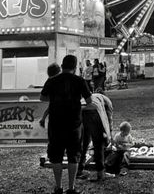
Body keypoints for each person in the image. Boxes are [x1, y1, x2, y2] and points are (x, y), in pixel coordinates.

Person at [40, 55, 91, 194]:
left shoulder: (52, 80)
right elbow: (90, 100)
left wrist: (56, 98)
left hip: (56, 123)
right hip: (74, 124)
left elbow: (42, 97)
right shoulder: (79, 81)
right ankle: (71, 187)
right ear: (75, 68)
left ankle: (58, 187)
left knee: (56, 156)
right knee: (73, 156)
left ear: (62, 66)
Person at [77, 93, 115, 181]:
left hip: (80, 111)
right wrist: (109, 135)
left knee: (83, 142)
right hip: (93, 111)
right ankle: (101, 173)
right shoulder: (107, 101)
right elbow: (109, 118)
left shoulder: (90, 96)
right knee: (98, 143)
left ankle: (79, 170)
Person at [39, 63, 62, 128]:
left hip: (54, 109)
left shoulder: (49, 81)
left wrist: (53, 98)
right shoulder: (59, 79)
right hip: (59, 109)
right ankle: (43, 119)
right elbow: (42, 97)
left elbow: (42, 97)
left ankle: (43, 119)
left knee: (50, 107)